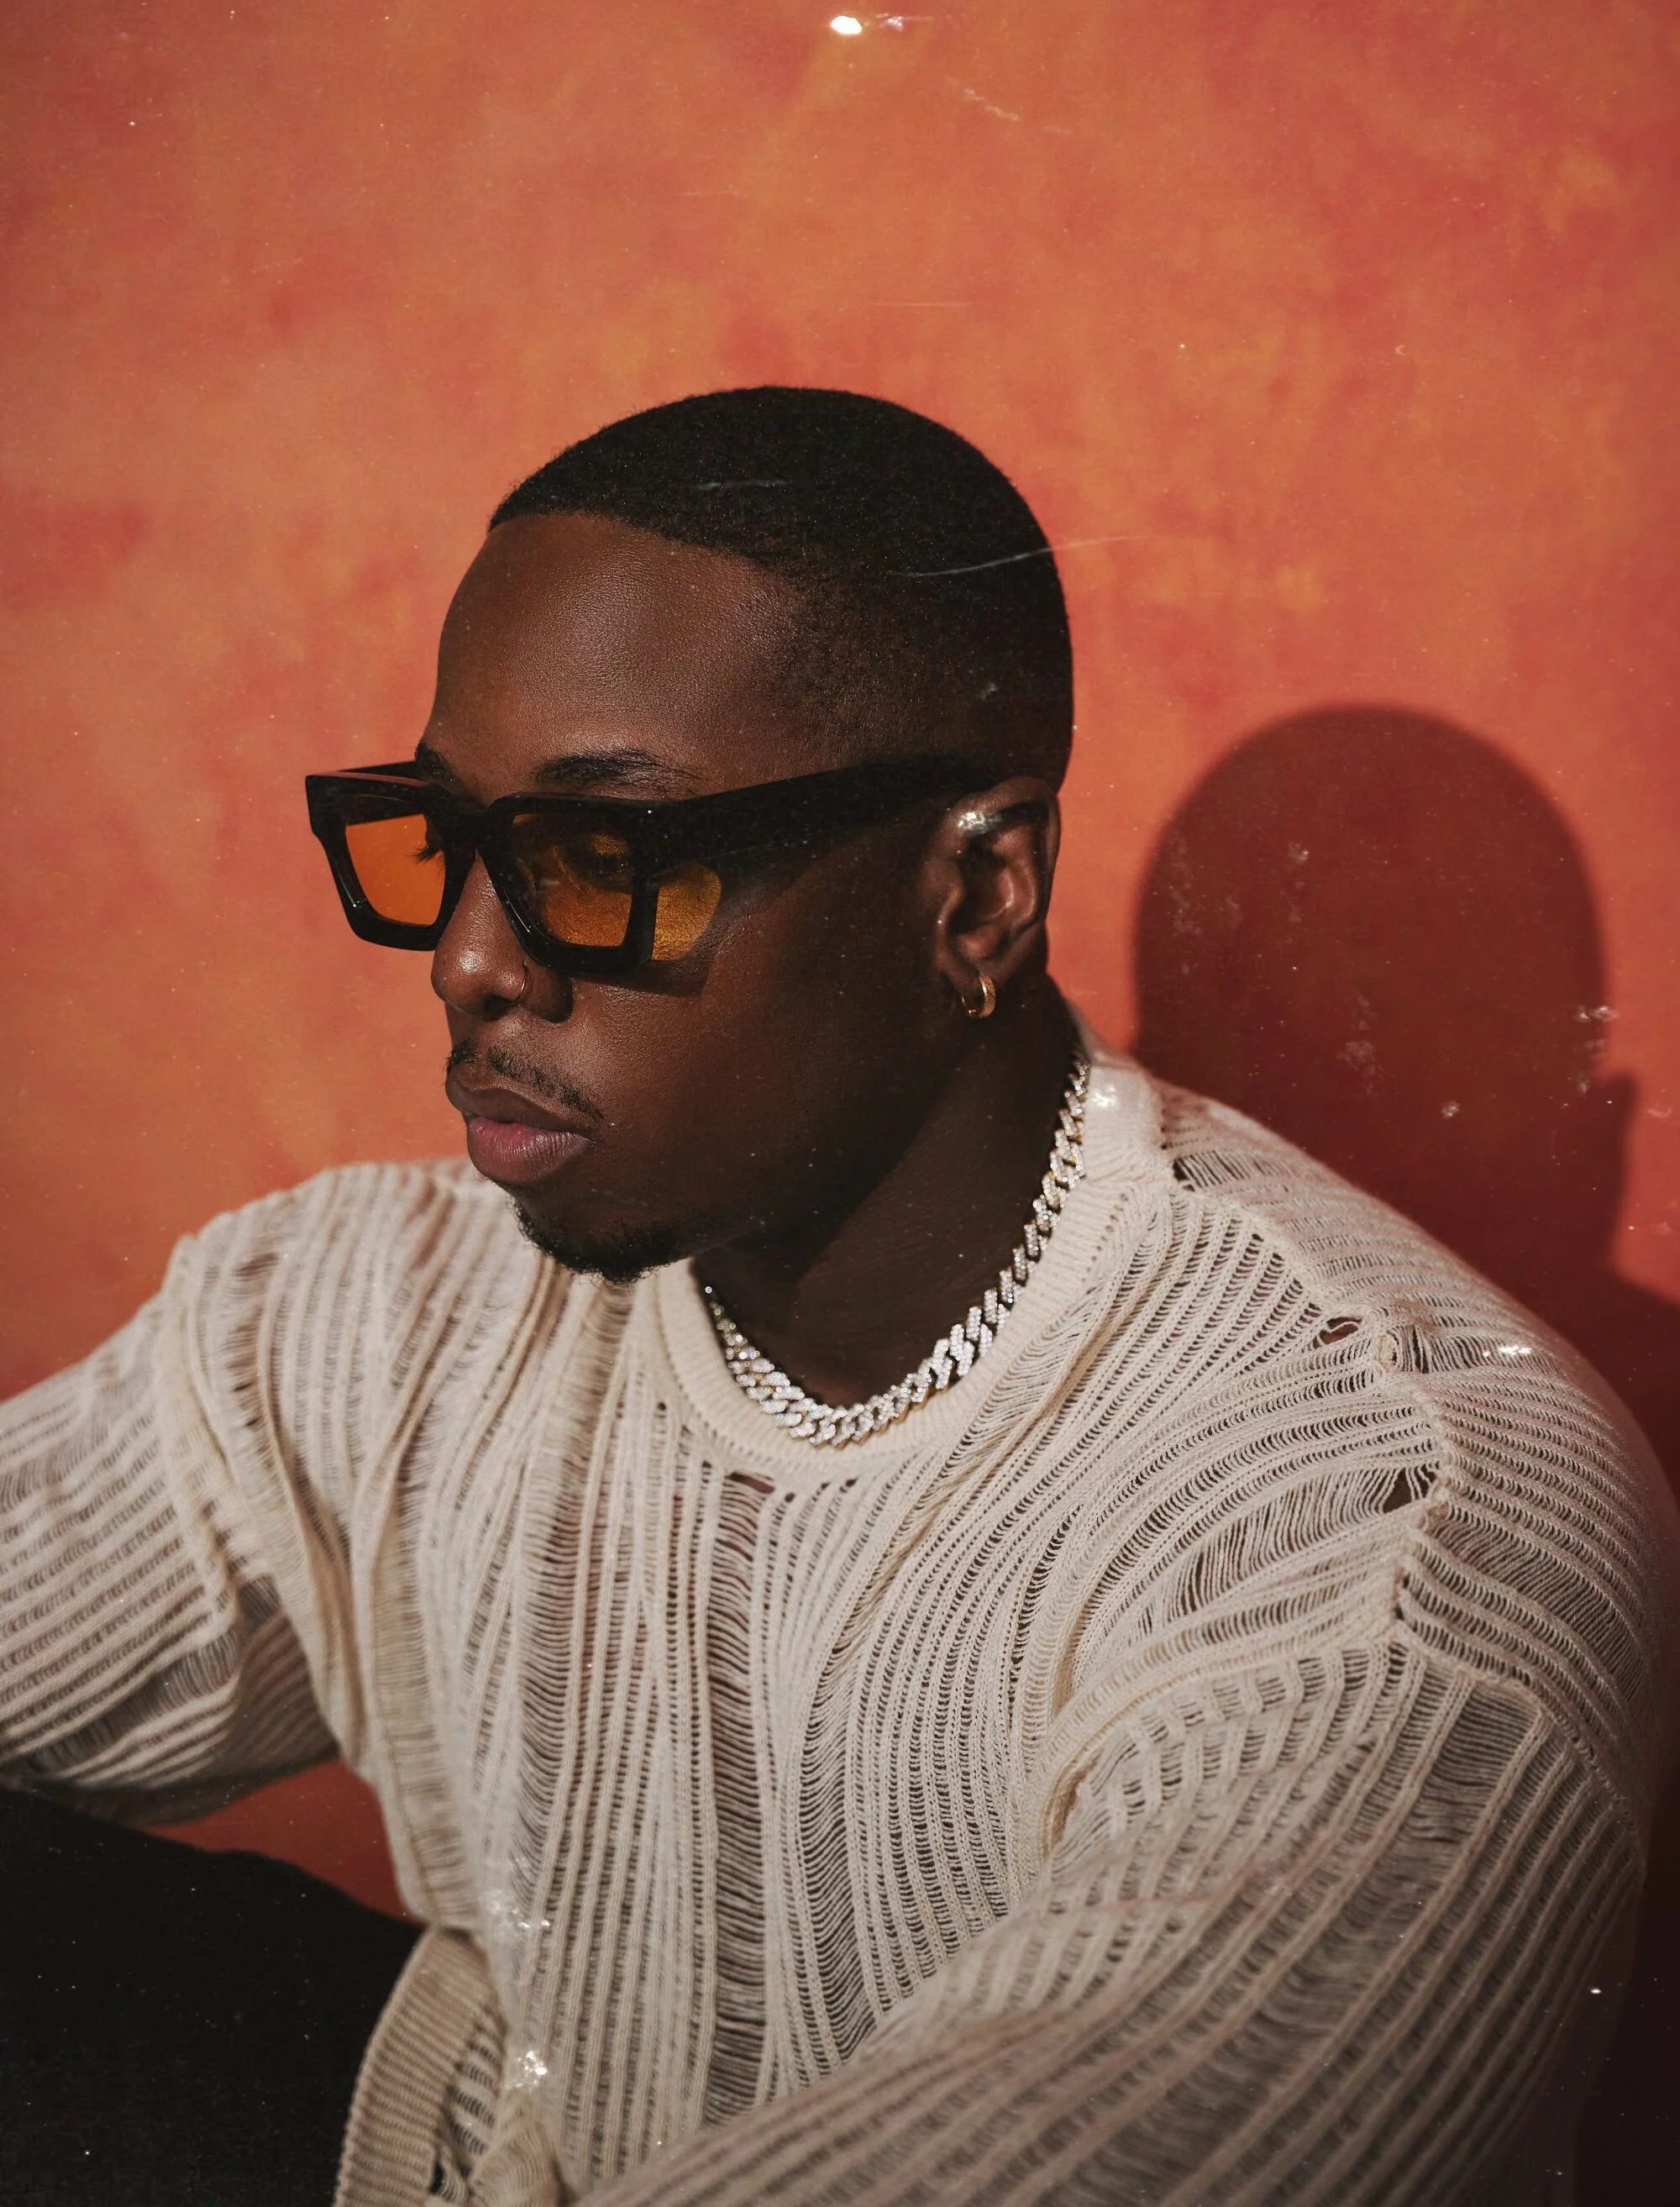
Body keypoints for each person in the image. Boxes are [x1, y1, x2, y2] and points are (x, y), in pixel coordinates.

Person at [3, 386, 1676, 2207]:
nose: (474, 960)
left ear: (974, 895)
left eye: (602, 860)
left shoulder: (1392, 1525)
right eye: (446, 841)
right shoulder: (373, 1316)